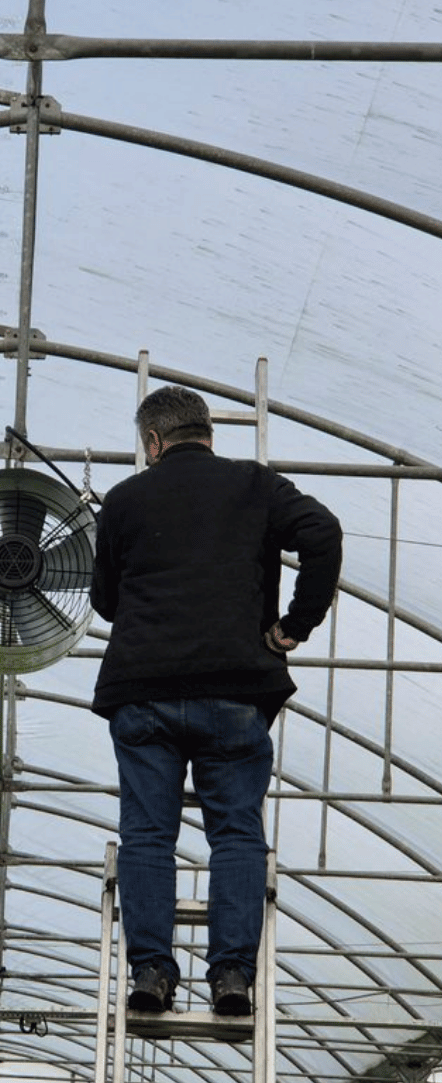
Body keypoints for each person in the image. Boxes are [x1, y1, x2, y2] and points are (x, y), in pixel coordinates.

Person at [90, 385, 342, 1015]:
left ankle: (151, 974)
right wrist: (294, 626)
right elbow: (323, 531)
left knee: (147, 834)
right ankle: (231, 976)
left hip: (143, 693)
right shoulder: (256, 485)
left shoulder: (123, 500)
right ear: (207, 432)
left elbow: (106, 603)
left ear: (153, 441)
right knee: (235, 834)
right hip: (235, 690)